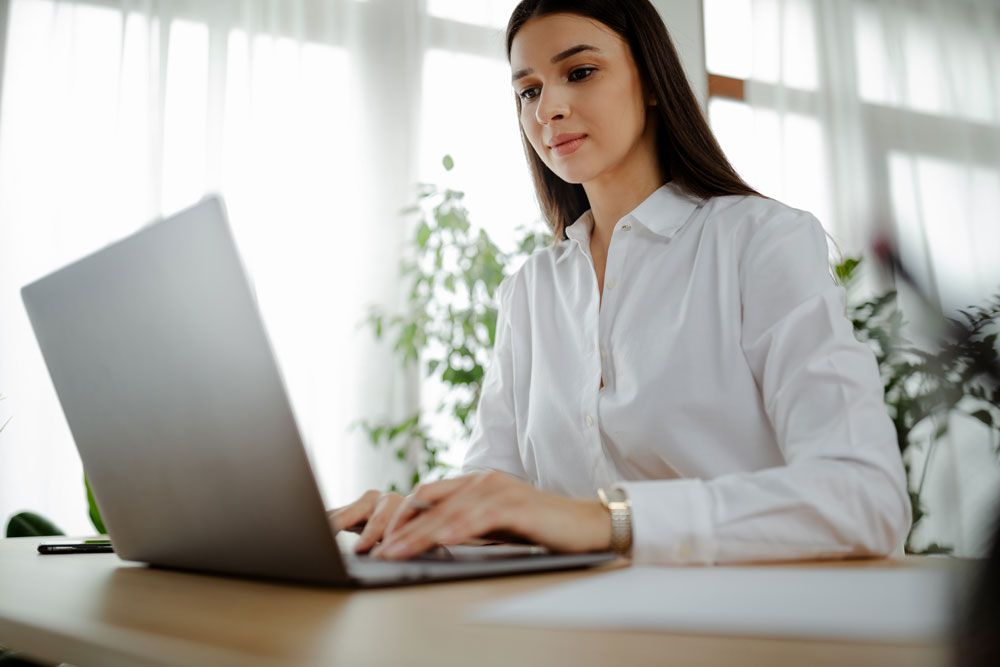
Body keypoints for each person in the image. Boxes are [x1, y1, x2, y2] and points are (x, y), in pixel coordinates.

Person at [329, 0, 912, 565]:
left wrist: (611, 521)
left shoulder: (760, 240)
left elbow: (865, 497)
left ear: (652, 81)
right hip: (576, 630)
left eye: (579, 72)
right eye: (528, 90)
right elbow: (498, 487)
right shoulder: (531, 290)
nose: (546, 109)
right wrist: (423, 520)